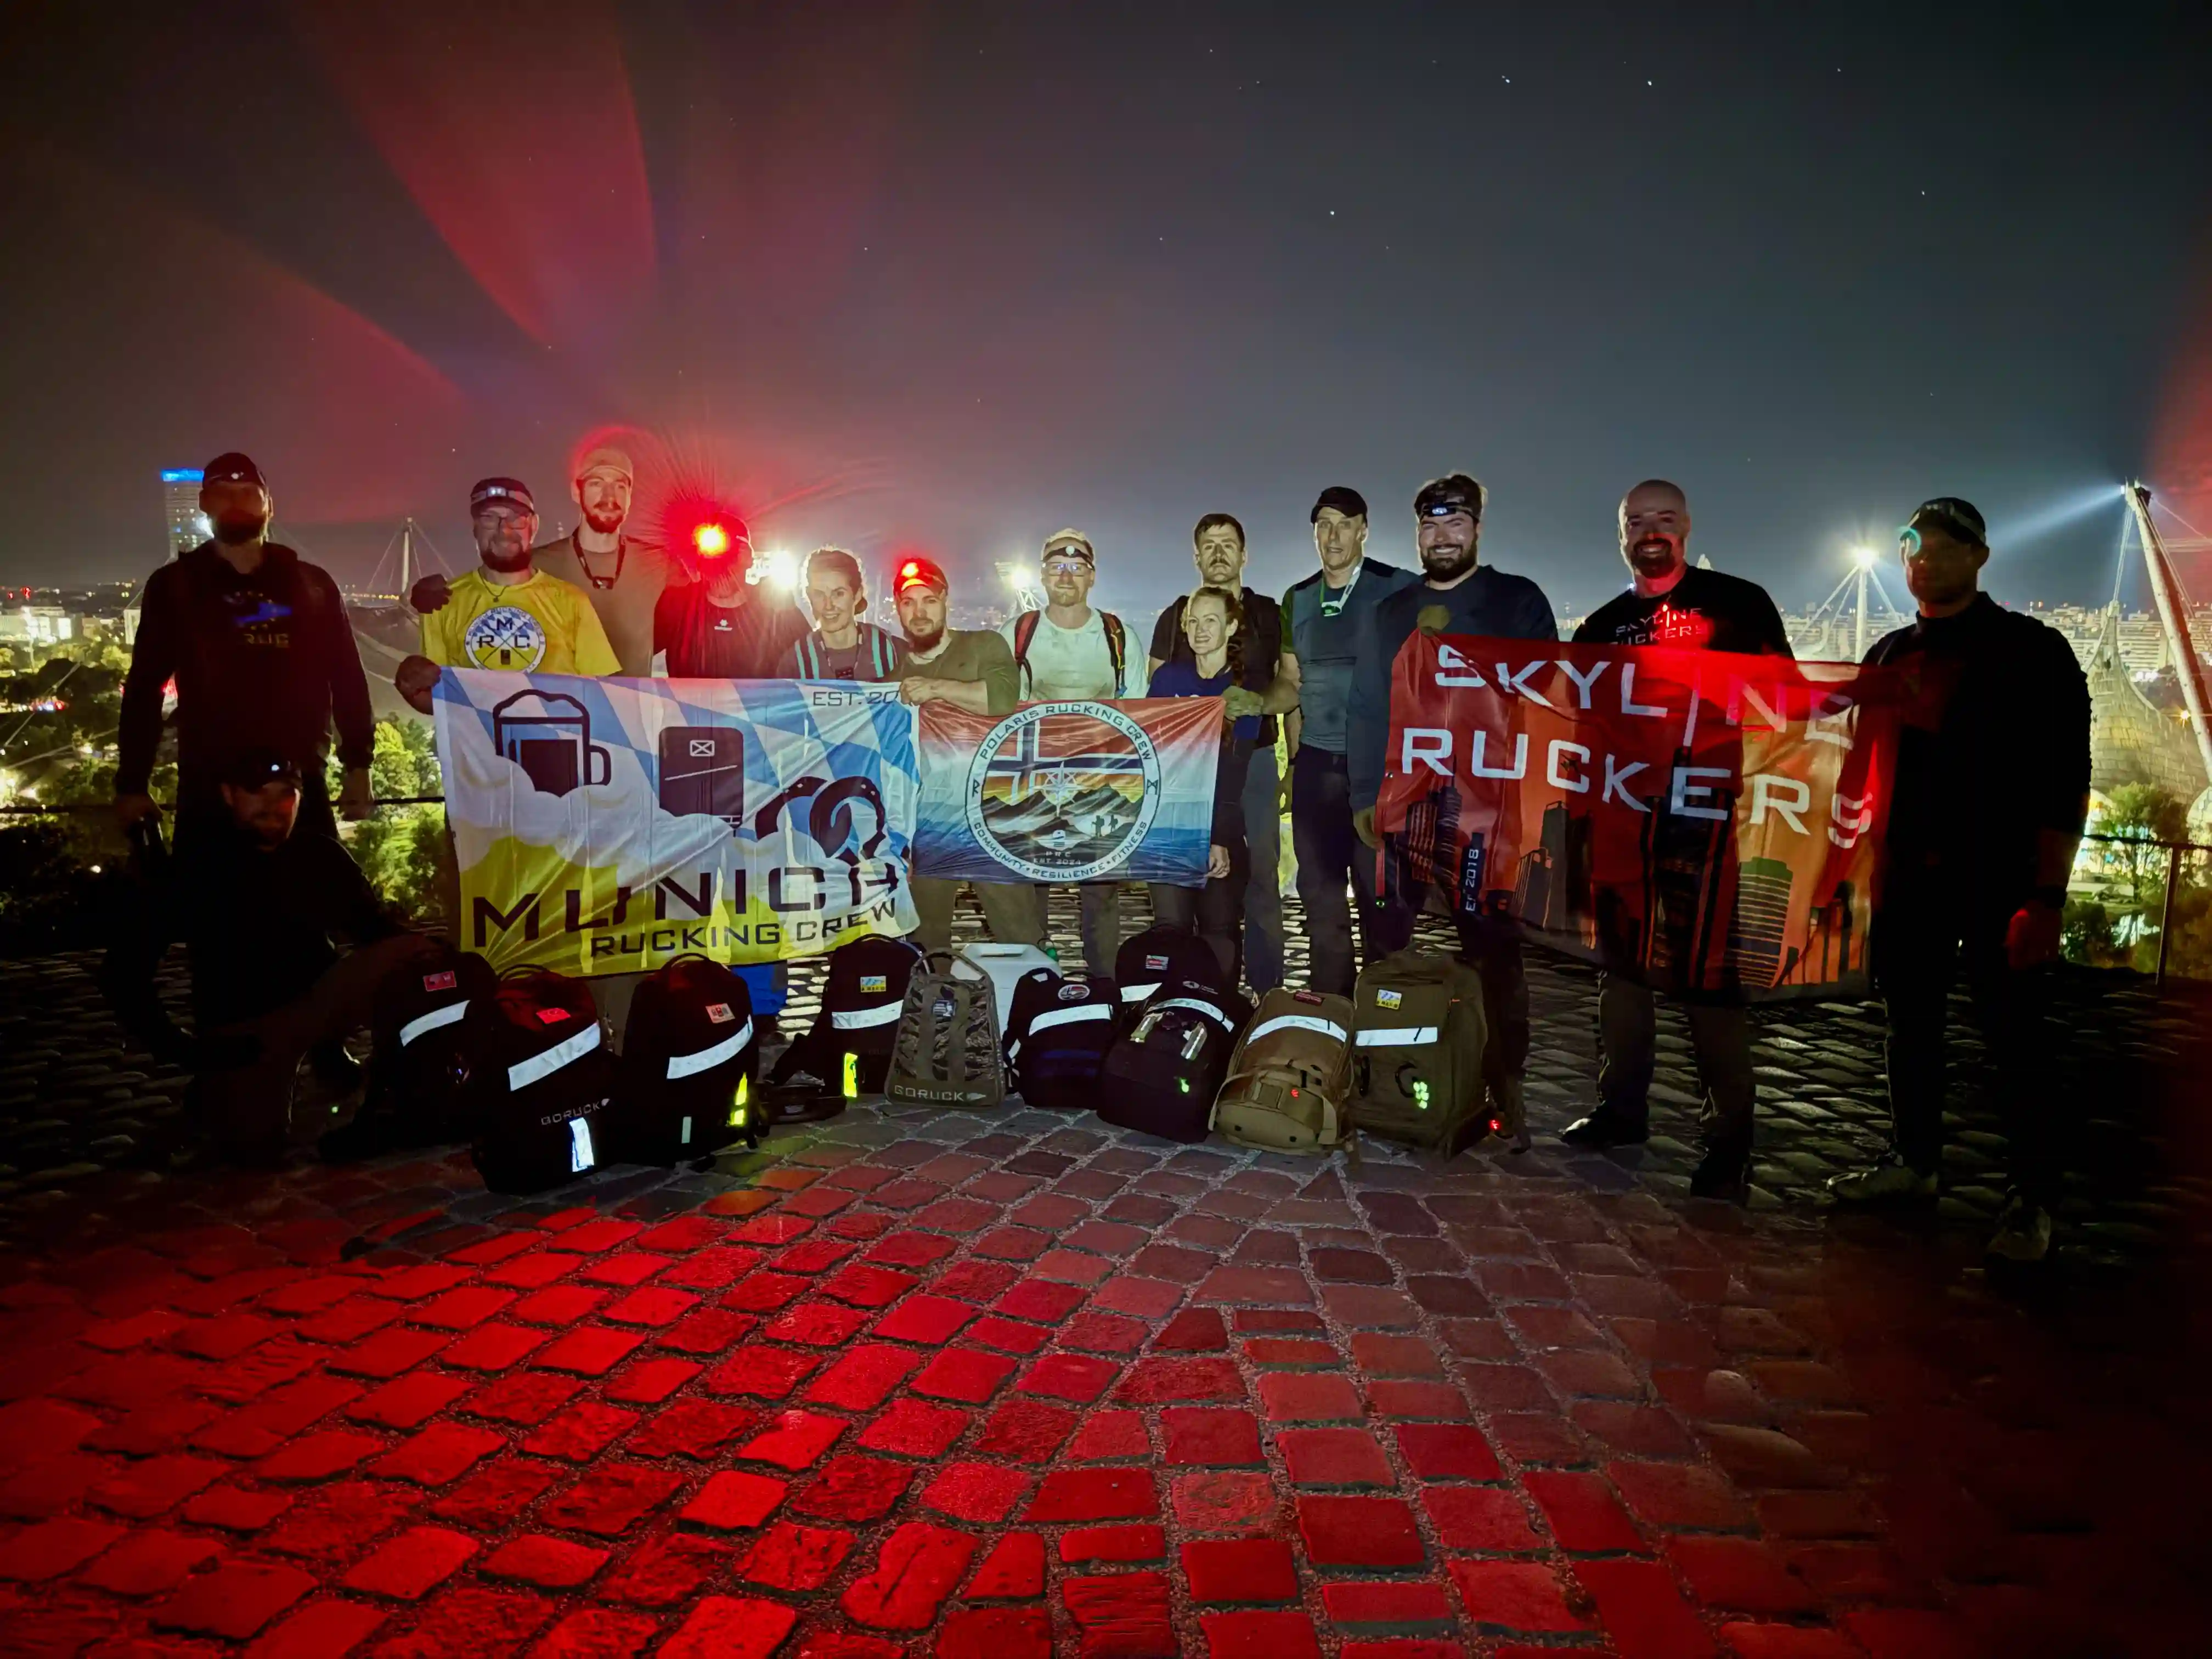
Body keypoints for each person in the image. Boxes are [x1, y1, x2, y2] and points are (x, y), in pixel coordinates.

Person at [1829, 497, 2089, 1265]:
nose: (1925, 557)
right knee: (1910, 1028)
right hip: (1909, 881)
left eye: (1946, 545)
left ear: (1979, 557)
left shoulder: (2032, 652)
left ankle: (2031, 1198)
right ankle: (1917, 1163)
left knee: (2016, 1039)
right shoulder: (1886, 656)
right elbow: (1838, 757)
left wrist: (2047, 896)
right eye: (1913, 544)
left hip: (1999, 878)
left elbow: (2065, 776)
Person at [1561, 479, 1794, 1202]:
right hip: (1626, 826)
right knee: (1620, 976)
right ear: (1621, 533)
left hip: (1709, 824)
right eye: (1637, 521)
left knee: (1710, 984)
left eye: (1663, 519)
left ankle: (1730, 1143)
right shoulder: (1599, 628)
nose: (1650, 531)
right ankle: (1622, 1111)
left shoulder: (1739, 604)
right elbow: (1580, 730)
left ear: (1686, 527)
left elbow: (1786, 696)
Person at [1349, 473, 1560, 1152]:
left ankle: (1505, 1091)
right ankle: (1389, 1080)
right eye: (1430, 527)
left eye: (1456, 525)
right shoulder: (1390, 610)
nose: (1442, 538)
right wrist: (1362, 796)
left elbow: (1549, 699)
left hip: (1489, 818)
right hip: (1405, 810)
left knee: (1495, 955)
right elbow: (1365, 708)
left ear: (1477, 529)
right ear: (1417, 534)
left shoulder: (1516, 601)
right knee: (1386, 948)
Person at [100, 748, 435, 1164]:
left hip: (322, 1003)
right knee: (250, 1155)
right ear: (229, 795)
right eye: (257, 793)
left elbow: (374, 932)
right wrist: (187, 1051)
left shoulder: (320, 855)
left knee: (420, 958)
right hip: (246, 1031)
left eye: (286, 794)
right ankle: (218, 1096)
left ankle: (392, 1087)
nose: (274, 807)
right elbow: (122, 974)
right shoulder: (194, 870)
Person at [115, 452, 375, 849]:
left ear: (269, 504)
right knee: (212, 909)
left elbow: (347, 678)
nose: (236, 503)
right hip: (208, 782)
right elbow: (145, 688)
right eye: (224, 493)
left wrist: (358, 766)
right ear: (205, 503)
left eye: (248, 493)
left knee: (314, 901)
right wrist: (133, 783)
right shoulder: (176, 587)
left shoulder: (312, 585)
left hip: (300, 779)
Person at [1278, 486, 1420, 994]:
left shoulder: (1400, 589)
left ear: (1364, 530)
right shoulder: (1297, 598)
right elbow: (1291, 683)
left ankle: (1383, 1031)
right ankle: (1331, 1024)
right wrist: (1250, 704)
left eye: (1344, 524)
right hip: (1316, 771)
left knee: (1384, 907)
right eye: (1323, 525)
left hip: (1379, 773)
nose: (1332, 535)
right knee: (1321, 905)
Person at [1148, 514, 1289, 993]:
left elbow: (1289, 686)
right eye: (1209, 545)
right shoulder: (1172, 632)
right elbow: (1155, 726)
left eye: (1229, 544)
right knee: (1182, 906)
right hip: (1181, 791)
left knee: (1256, 882)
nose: (1219, 552)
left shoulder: (1269, 617)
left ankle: (1265, 992)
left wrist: (1291, 762)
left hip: (1246, 770)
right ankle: (1180, 999)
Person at [411, 445, 680, 678]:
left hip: (635, 721)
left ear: (630, 497)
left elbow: (711, 604)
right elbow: (479, 600)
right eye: (597, 484)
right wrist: (422, 597)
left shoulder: (661, 563)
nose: (609, 497)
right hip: (564, 720)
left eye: (620, 486)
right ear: (577, 493)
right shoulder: (536, 564)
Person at [890, 555, 1046, 953]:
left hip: (994, 817)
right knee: (926, 942)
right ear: (897, 609)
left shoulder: (983, 644)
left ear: (946, 601)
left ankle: (1030, 1008)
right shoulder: (892, 671)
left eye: (929, 600)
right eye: (909, 602)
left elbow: (1002, 697)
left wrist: (936, 688)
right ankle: (934, 1010)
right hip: (928, 825)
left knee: (1020, 936)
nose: (919, 612)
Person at [997, 529, 1135, 974]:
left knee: (1102, 893)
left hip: (1103, 782)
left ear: (1092, 577)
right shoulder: (1018, 634)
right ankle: (1036, 980)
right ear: (1042, 575)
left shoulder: (1118, 635)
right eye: (1057, 567)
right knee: (1029, 887)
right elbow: (997, 709)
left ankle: (1105, 987)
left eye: (1077, 569)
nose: (1066, 576)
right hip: (1033, 782)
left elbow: (1139, 710)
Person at [394, 477, 620, 713]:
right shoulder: (442, 602)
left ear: (533, 526)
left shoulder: (572, 602)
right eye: (489, 518)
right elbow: (440, 700)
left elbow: (603, 695)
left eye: (516, 518)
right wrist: (411, 687)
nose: (504, 530)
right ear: (475, 529)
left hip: (555, 746)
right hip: (480, 749)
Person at [1145, 586, 1255, 980]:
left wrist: (1220, 838)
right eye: (1193, 621)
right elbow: (1151, 751)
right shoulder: (1167, 680)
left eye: (1211, 620)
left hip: (1218, 830)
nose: (1200, 629)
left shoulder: (1243, 691)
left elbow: (1234, 775)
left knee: (1218, 937)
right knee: (1169, 935)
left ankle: (1219, 1018)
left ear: (1231, 626)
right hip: (1170, 831)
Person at [652, 515, 811, 678]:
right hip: (688, 703)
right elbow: (630, 650)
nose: (718, 565)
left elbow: (814, 659)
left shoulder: (774, 606)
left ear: (747, 556)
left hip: (757, 703)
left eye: (723, 551)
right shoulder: (680, 604)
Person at [780, 548, 905, 679]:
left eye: (839, 594)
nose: (828, 606)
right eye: (819, 594)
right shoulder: (795, 662)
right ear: (808, 596)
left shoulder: (892, 651)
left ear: (857, 595)